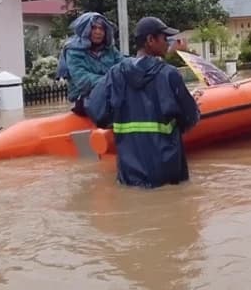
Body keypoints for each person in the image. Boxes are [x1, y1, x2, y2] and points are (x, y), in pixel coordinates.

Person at [86, 16, 201, 189]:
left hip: (129, 173)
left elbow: (96, 111)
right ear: (150, 40)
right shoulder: (169, 75)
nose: (167, 43)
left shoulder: (115, 74)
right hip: (166, 172)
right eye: (164, 38)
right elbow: (191, 118)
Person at [56, 12, 123, 116]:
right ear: (86, 30)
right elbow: (82, 80)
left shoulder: (110, 50)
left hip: (109, 94)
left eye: (101, 29)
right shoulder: (73, 51)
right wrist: (110, 80)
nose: (98, 32)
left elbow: (123, 66)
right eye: (94, 28)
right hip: (82, 98)